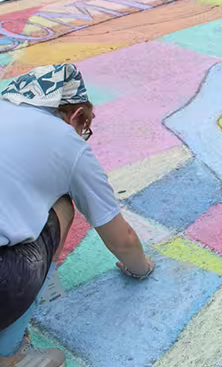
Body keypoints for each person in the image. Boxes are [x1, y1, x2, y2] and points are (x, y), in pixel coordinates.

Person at [0, 64, 154, 367]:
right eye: (85, 127)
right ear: (75, 115)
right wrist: (141, 267)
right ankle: (11, 351)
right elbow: (122, 240)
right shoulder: (65, 140)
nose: (83, 134)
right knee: (62, 206)